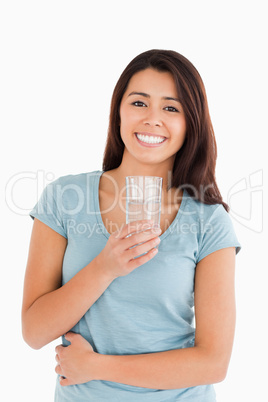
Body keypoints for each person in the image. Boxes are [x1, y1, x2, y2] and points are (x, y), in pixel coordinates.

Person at [22, 49, 241, 401]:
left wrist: (96, 366)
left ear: (190, 123)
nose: (153, 119)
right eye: (139, 103)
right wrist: (104, 268)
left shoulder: (208, 220)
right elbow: (33, 332)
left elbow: (213, 363)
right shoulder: (63, 197)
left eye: (171, 108)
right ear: (119, 112)